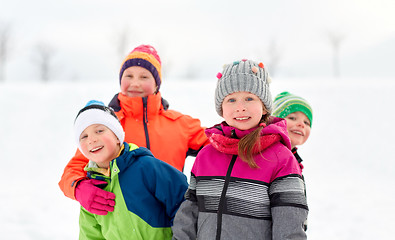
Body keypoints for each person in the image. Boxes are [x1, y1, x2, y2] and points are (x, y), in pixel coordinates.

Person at [59, 44, 209, 215]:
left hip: (171, 220)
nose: (135, 83)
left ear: (157, 84)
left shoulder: (181, 124)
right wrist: (79, 187)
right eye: (128, 75)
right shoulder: (106, 126)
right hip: (121, 221)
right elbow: (73, 169)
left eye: (144, 76)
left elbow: (220, 142)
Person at [172, 59, 308, 240]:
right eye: (231, 99)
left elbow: (289, 225)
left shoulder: (280, 158)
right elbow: (190, 212)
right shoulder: (206, 155)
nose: (240, 107)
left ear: (264, 106)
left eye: (249, 98)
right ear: (221, 107)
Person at [74, 100, 188, 239]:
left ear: (117, 136)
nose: (91, 140)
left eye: (99, 131)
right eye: (83, 136)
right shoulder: (90, 190)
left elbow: (183, 205)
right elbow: (90, 235)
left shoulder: (146, 167)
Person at [272, 91, 313, 169]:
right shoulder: (270, 155)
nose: (301, 124)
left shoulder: (293, 158)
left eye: (306, 122)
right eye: (292, 118)